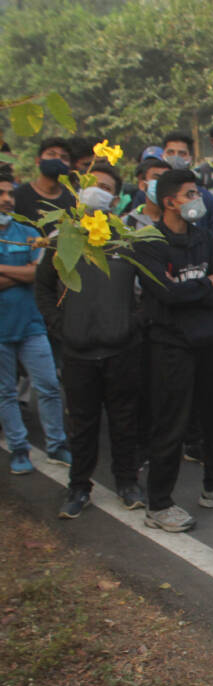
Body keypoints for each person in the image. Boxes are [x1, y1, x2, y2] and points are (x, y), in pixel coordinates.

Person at [132, 169, 213, 532]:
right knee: (171, 422)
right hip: (171, 344)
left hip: (210, 340)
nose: (196, 199)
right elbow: (164, 294)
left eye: (196, 192)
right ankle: (159, 504)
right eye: (189, 194)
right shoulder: (149, 242)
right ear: (169, 201)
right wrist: (205, 284)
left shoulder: (205, 239)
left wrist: (194, 288)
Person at [34, 182, 145, 517]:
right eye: (89, 212)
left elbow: (150, 291)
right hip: (79, 353)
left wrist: (132, 323)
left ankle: (127, 483)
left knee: (125, 422)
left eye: (102, 211)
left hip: (120, 350)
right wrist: (60, 325)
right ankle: (79, 486)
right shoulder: (60, 244)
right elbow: (42, 288)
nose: (96, 217)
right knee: (82, 425)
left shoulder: (126, 244)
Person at [0, 171, 69, 475]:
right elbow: (26, 272)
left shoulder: (27, 232)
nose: (6, 199)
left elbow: (36, 275)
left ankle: (56, 445)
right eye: (0, 193)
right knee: (5, 393)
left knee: (49, 386)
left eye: (9, 194)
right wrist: (21, 271)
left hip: (31, 326)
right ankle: (19, 448)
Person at [160, 131, 213, 235]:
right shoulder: (150, 193)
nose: (175, 158)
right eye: (170, 152)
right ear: (162, 156)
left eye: (182, 153)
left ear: (190, 159)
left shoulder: (204, 197)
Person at [12, 137, 74, 228]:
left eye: (64, 157)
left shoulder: (73, 200)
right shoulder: (17, 196)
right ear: (38, 161)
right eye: (51, 154)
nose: (58, 160)